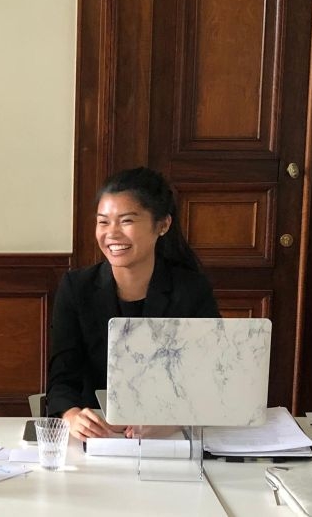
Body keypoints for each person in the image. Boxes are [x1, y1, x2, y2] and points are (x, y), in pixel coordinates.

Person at [46, 167, 220, 441]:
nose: (112, 233)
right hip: (100, 439)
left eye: (126, 221)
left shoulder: (191, 290)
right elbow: (61, 379)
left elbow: (212, 377)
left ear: (162, 225)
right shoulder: (76, 288)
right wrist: (72, 415)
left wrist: (173, 421)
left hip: (168, 441)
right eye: (103, 222)